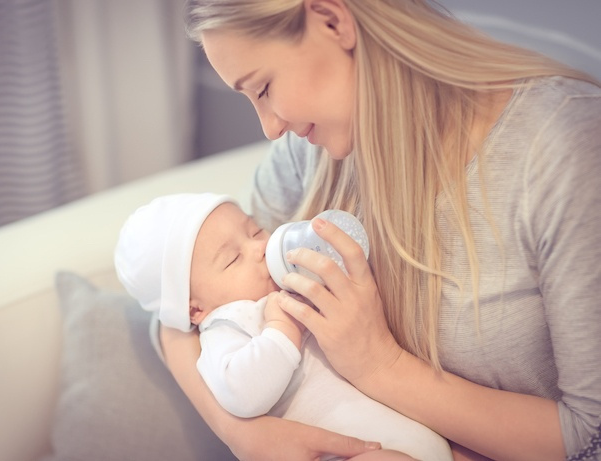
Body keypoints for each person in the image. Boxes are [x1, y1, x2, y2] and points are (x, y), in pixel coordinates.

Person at [158, 1, 601, 460]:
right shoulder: (309, 151)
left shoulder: (566, 147)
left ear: (333, 20)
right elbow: (181, 301)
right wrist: (243, 434)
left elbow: (590, 438)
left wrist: (378, 364)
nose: (270, 127)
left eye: (265, 87)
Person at [114, 192, 454, 461]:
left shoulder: (289, 282)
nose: (259, 247)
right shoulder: (226, 326)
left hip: (417, 432)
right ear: (196, 309)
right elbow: (241, 394)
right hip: (352, 450)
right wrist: (281, 328)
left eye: (254, 230)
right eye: (233, 258)